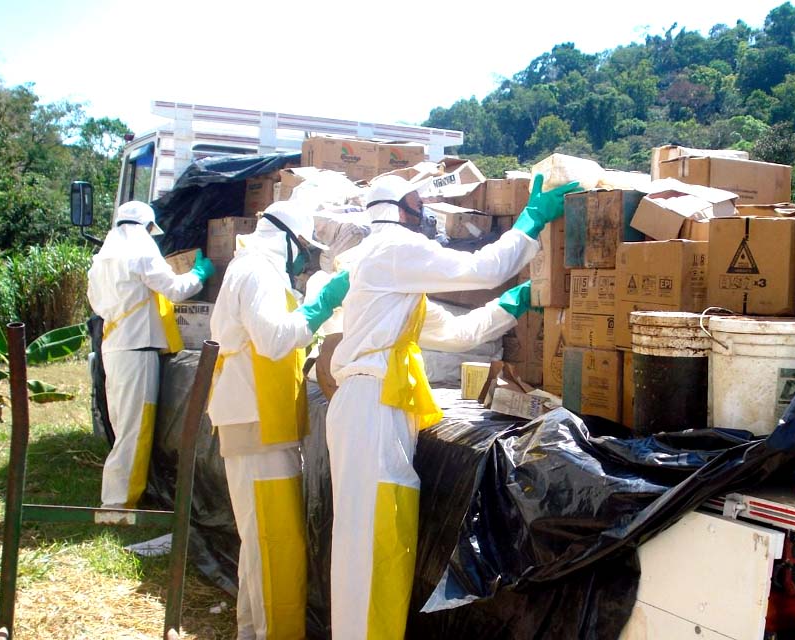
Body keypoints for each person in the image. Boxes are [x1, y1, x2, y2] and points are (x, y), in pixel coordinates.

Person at [326, 173, 578, 640]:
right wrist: (531, 221)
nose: (426, 214)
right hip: (370, 409)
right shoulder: (392, 247)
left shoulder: (396, 287)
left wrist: (516, 302)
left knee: (383, 541)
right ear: (399, 208)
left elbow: (459, 333)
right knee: (371, 546)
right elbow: (481, 270)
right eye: (419, 204)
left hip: (378, 408)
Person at [208, 199, 350, 640]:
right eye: (303, 249)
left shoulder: (254, 270)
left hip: (261, 421)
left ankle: (252, 632)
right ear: (289, 240)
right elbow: (272, 340)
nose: (304, 259)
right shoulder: (257, 272)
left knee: (262, 545)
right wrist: (321, 305)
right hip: (256, 423)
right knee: (276, 546)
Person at [87, 200, 215, 509]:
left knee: (122, 424)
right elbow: (174, 289)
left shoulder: (102, 259)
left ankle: (119, 494)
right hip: (137, 350)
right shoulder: (141, 252)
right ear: (145, 227)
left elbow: (96, 303)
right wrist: (200, 273)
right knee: (135, 427)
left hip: (115, 345)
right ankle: (119, 504)